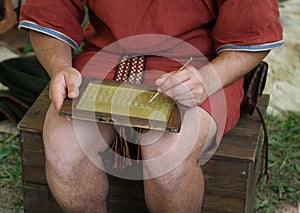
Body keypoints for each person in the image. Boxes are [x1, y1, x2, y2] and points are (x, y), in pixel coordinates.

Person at [19, 1, 283, 212]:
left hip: (198, 65)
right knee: (63, 149)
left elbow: (253, 30)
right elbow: (50, 13)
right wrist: (60, 67)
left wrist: (207, 79)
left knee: (168, 156)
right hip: (108, 56)